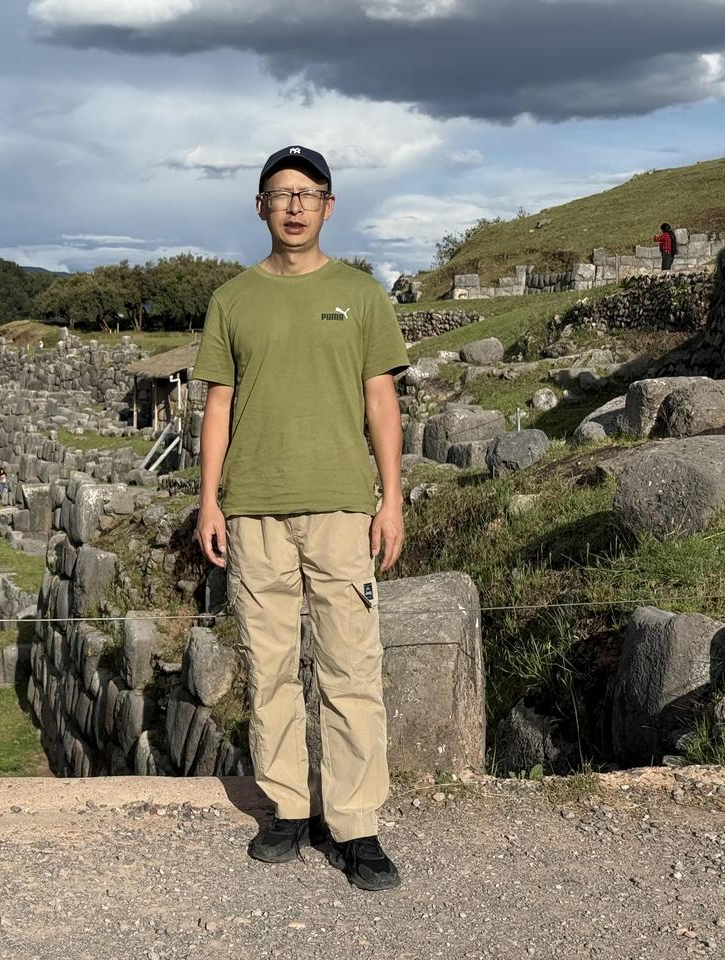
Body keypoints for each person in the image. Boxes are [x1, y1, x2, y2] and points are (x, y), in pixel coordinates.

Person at [192, 145, 410, 892]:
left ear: (328, 206)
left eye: (307, 194)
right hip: (253, 509)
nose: (293, 206)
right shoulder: (232, 300)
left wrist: (392, 500)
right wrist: (209, 500)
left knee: (352, 667)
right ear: (260, 206)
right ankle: (286, 806)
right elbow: (218, 405)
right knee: (270, 667)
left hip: (343, 508)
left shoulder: (361, 294)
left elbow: (382, 402)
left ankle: (355, 823)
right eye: (280, 193)